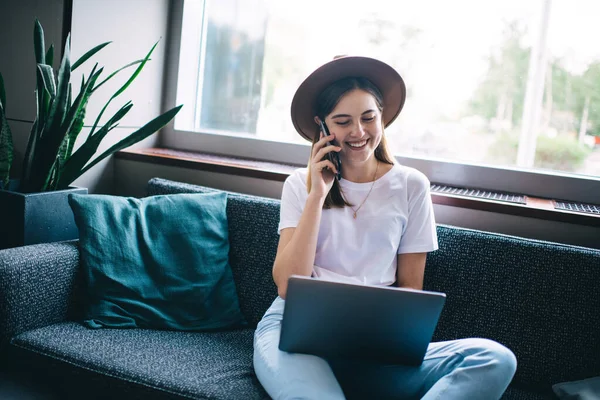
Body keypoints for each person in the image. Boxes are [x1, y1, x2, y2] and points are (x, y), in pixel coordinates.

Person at [253, 56, 517, 399]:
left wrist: (379, 337)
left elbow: (410, 288)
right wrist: (318, 194)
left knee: (494, 359)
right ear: (322, 126)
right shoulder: (298, 186)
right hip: (294, 337)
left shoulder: (411, 186)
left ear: (383, 117)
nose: (358, 132)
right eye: (342, 121)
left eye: (368, 118)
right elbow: (288, 286)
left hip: (372, 348)